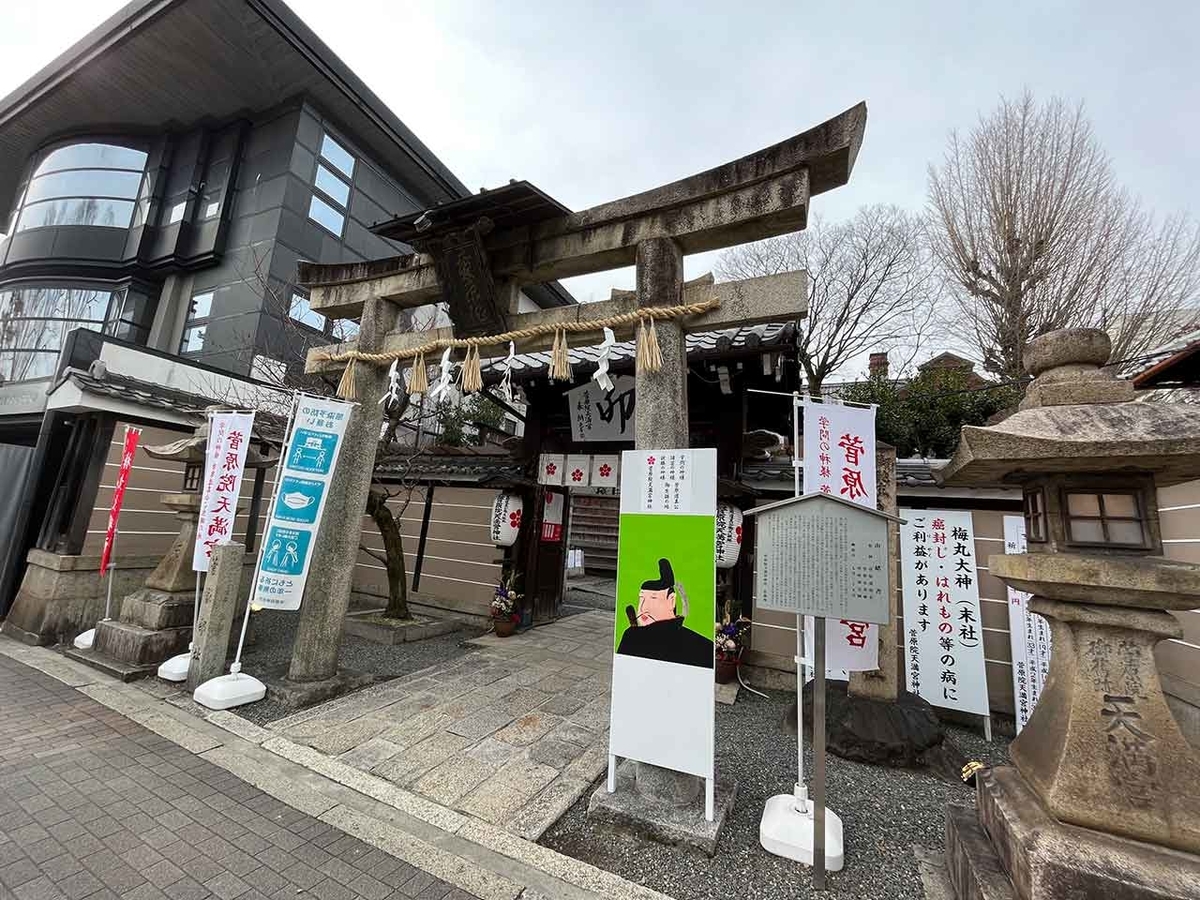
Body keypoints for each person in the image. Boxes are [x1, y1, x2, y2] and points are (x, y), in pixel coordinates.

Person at [617, 557, 712, 669]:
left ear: (671, 601)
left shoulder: (702, 647)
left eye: (653, 598)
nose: (643, 608)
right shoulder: (631, 636)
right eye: (641, 599)